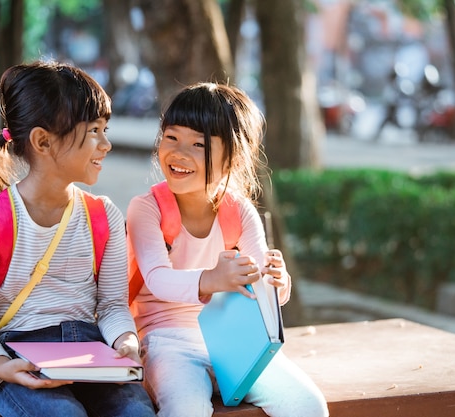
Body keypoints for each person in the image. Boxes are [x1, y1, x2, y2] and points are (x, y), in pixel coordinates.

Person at [0, 61, 156, 417]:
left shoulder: (103, 216)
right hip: (21, 361)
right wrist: (1, 365)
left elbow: (111, 306)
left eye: (105, 129)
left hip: (93, 355)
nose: (106, 144)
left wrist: (125, 340)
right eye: (94, 130)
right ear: (43, 141)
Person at [126, 82, 329, 417]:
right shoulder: (147, 209)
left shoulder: (240, 211)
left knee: (306, 405)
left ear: (233, 157)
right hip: (166, 342)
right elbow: (159, 279)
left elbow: (261, 288)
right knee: (187, 410)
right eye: (172, 137)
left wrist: (276, 284)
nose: (178, 152)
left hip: (233, 340)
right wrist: (212, 278)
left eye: (198, 144)